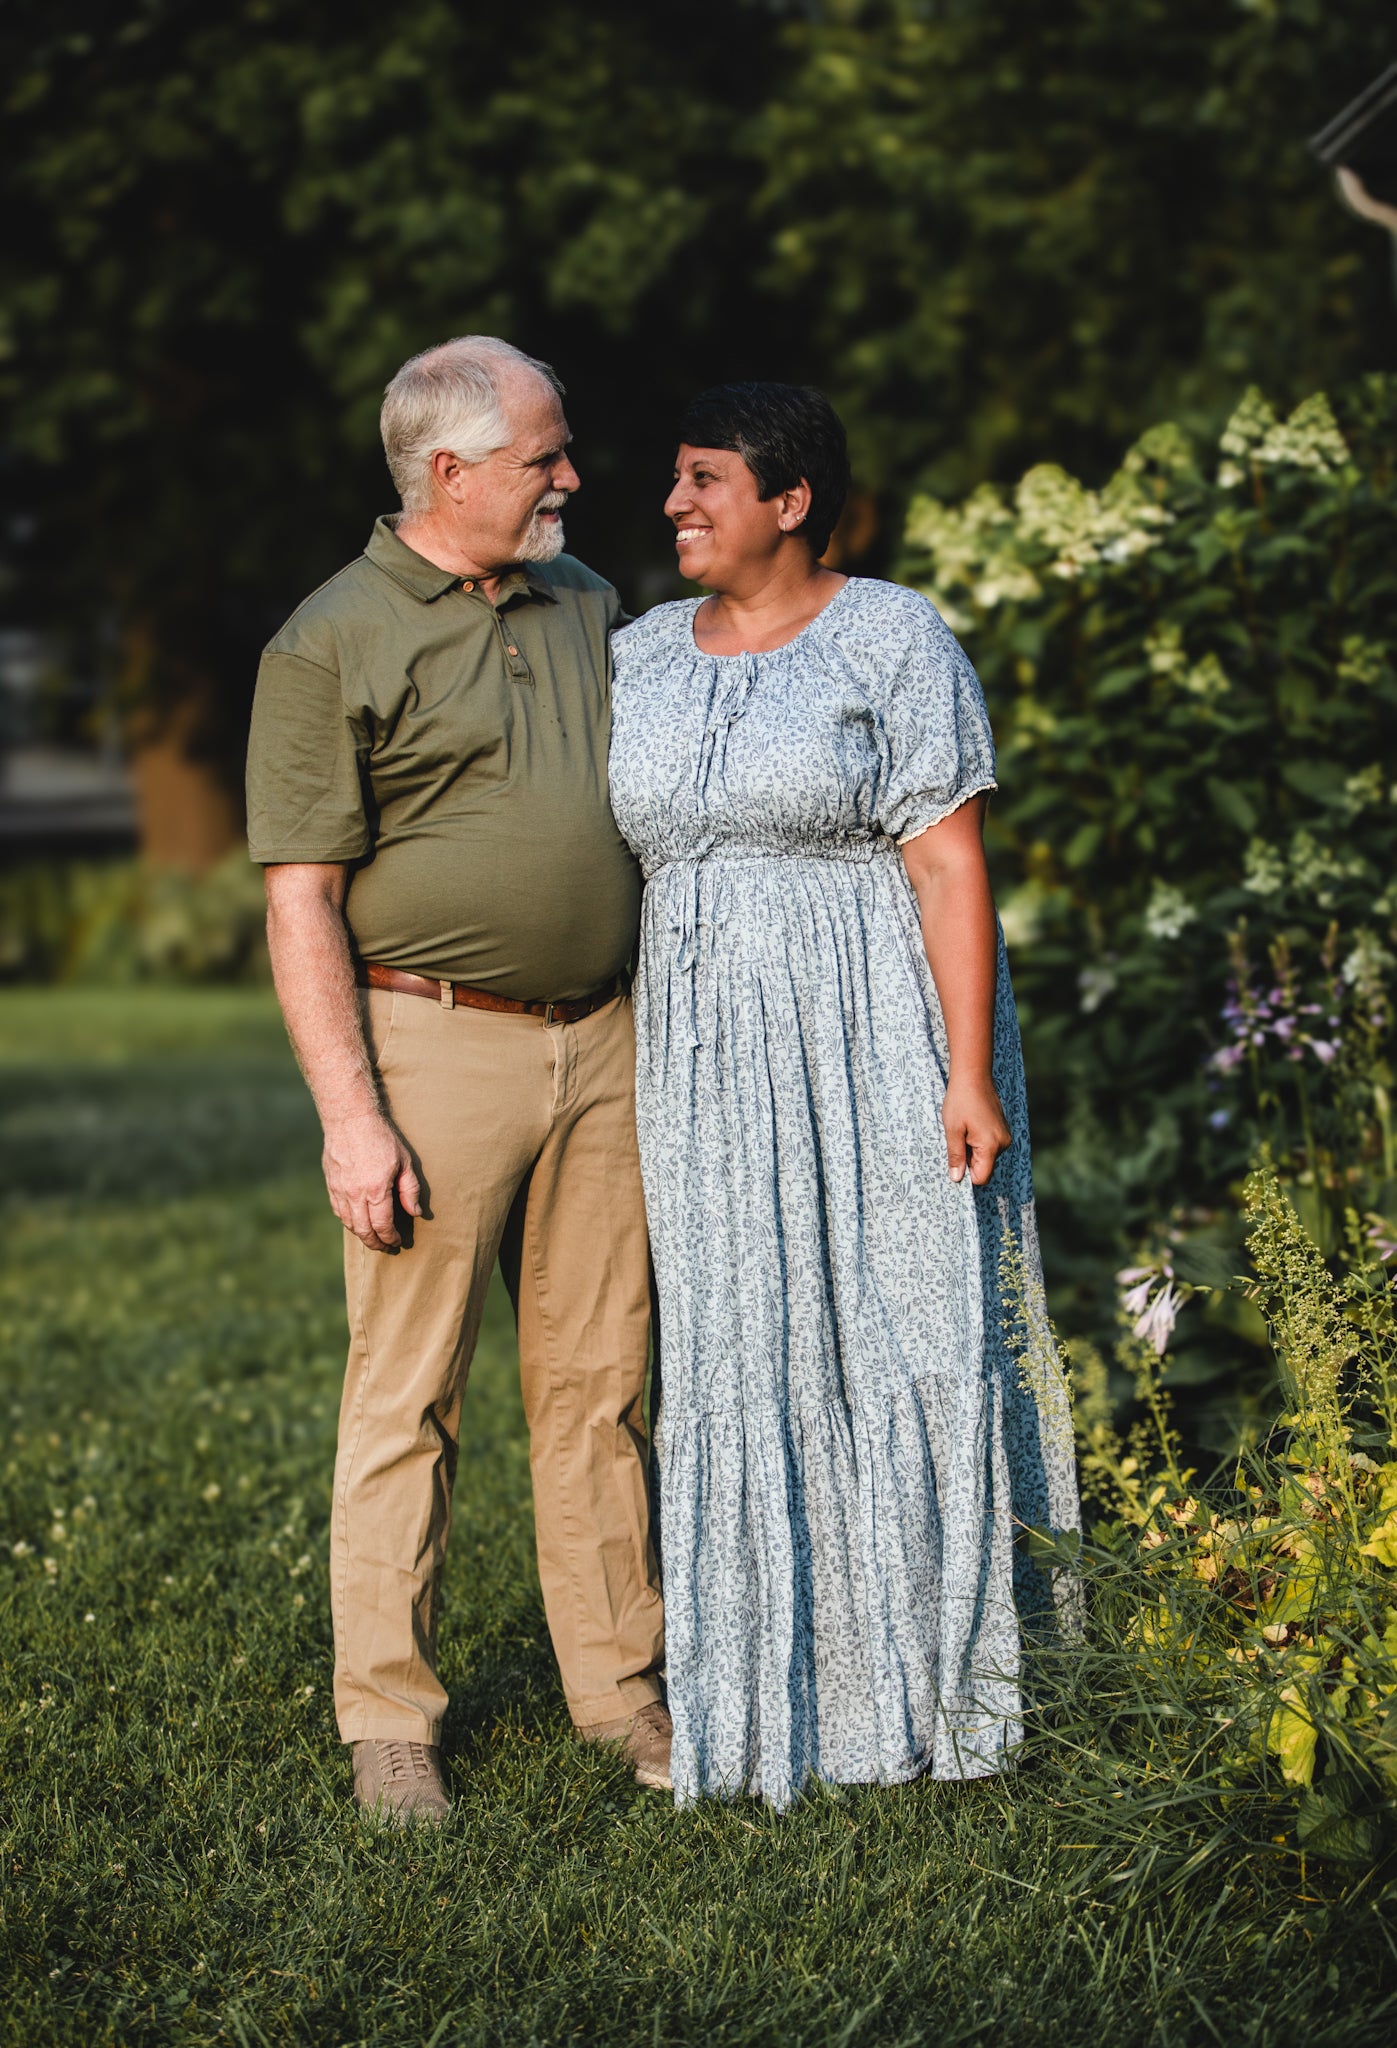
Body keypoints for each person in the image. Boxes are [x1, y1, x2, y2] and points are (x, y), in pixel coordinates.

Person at [608, 382, 1079, 1809]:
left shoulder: (893, 636)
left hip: (873, 1019)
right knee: (741, 1337)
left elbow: (947, 866)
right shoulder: (633, 653)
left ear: (788, 499)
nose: (677, 505)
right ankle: (766, 1702)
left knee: (902, 1312)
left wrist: (960, 1068)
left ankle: (939, 1691)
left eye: (704, 481)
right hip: (702, 1050)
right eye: (676, 482)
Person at [245, 336, 668, 1823]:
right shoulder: (329, 639)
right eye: (543, 456)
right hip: (429, 1043)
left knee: (603, 1385)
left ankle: (622, 1694)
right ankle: (390, 1725)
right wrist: (352, 1119)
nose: (571, 476)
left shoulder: (587, 601)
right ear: (450, 470)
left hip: (603, 1040)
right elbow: (301, 899)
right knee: (408, 1396)